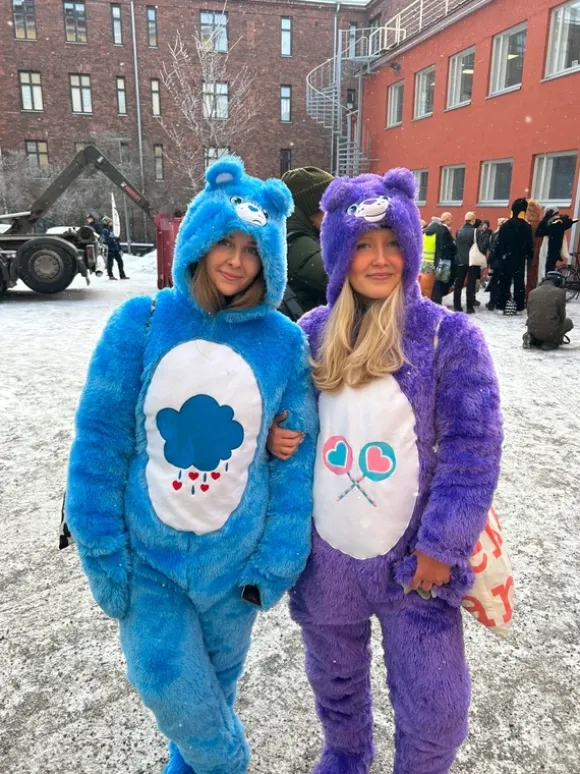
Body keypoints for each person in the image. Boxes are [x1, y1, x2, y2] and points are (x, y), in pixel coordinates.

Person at [65, 157, 318, 774]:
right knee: (164, 676)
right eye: (225, 242)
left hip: (233, 568)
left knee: (210, 698)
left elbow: (296, 463)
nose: (236, 261)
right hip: (148, 556)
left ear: (270, 258)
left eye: (252, 250)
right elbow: (100, 438)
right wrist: (102, 549)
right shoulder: (144, 320)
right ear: (200, 239)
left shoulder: (284, 343)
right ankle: (231, 764)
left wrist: (275, 562)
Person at [269, 168, 502, 774]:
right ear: (338, 253)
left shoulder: (447, 336)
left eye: (393, 243)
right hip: (329, 561)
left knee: (435, 706)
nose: (379, 259)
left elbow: (474, 448)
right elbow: (286, 422)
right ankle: (346, 758)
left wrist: (442, 546)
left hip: (414, 565)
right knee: (336, 684)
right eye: (363, 245)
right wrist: (274, 438)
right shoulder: (312, 334)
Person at [280, 166, 335, 319]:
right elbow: (338, 277)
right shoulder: (294, 241)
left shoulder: (311, 235)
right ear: (311, 210)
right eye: (332, 209)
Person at [496, 198, 534, 313]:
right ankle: (519, 305)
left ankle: (502, 304)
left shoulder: (505, 225)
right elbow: (529, 244)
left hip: (506, 258)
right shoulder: (526, 226)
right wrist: (530, 256)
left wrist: (500, 255)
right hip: (519, 258)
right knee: (519, 283)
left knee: (504, 281)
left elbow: (500, 243)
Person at [523, 271, 574, 350]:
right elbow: (562, 316)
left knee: (536, 318)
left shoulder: (532, 292)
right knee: (568, 322)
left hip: (533, 329)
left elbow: (529, 313)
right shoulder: (560, 293)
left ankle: (533, 338)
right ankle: (549, 342)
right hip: (550, 332)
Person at [426, 212, 457, 305]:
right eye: (451, 219)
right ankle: (436, 302)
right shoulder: (444, 230)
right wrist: (454, 245)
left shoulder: (437, 228)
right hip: (444, 260)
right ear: (447, 220)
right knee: (440, 282)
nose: (452, 221)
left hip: (438, 258)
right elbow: (448, 246)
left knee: (438, 282)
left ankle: (435, 300)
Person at [536, 207, 578, 275]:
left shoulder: (551, 222)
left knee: (546, 268)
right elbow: (569, 222)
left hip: (549, 250)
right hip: (555, 250)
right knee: (550, 267)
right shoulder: (558, 222)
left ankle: (548, 279)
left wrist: (548, 225)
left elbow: (539, 232)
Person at [454, 211, 480, 313]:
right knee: (471, 284)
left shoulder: (458, 231)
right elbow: (479, 247)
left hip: (460, 261)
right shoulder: (475, 231)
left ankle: (457, 306)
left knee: (458, 284)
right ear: (473, 220)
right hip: (472, 261)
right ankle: (469, 307)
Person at [486, 217, 508, 311]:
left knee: (494, 283)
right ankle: (499, 302)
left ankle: (492, 302)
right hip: (504, 263)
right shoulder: (508, 235)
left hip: (497, 263)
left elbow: (493, 250)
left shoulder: (497, 235)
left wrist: (490, 264)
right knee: (502, 283)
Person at [525, 200, 544, 299]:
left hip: (525, 256)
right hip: (536, 257)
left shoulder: (524, 225)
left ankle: (523, 297)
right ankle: (530, 297)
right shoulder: (540, 226)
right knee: (532, 279)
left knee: (522, 278)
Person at [101, 216, 129, 280]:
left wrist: (119, 247)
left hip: (115, 248)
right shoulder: (105, 231)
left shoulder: (113, 230)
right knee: (110, 263)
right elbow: (106, 240)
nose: (111, 223)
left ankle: (122, 275)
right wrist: (113, 239)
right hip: (110, 249)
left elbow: (116, 240)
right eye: (110, 222)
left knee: (120, 262)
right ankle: (110, 275)